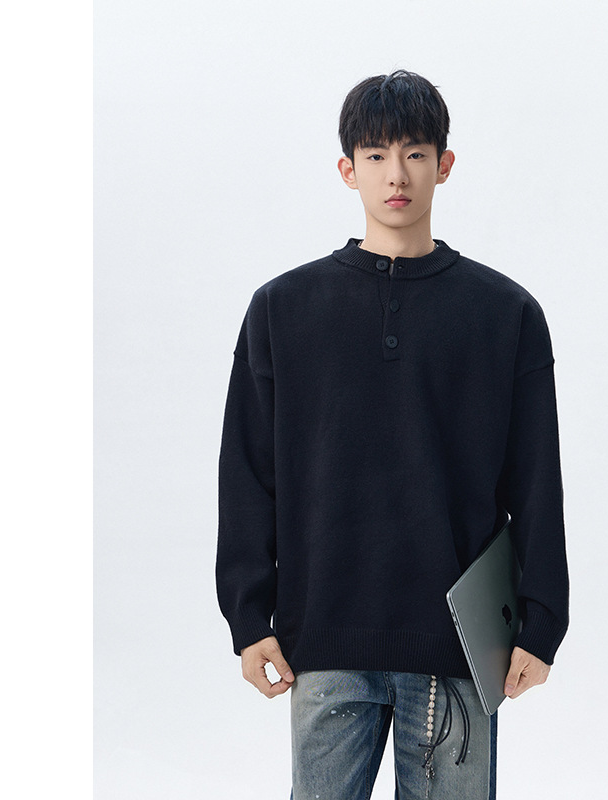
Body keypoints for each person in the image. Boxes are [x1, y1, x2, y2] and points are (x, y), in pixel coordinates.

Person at [216, 69, 569, 800]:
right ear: (347, 170)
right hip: (324, 638)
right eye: (375, 155)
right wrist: (248, 617)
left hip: (456, 648)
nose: (396, 175)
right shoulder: (282, 309)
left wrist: (542, 622)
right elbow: (248, 473)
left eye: (414, 153)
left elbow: (536, 480)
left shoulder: (505, 314)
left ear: (445, 163)